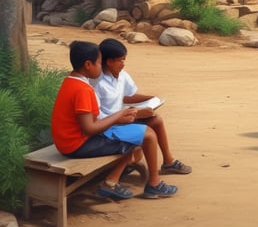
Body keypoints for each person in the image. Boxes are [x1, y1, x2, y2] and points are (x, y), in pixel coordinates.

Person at [51, 41, 178, 200]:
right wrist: (119, 116)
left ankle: (111, 182)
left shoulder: (71, 82)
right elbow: (89, 128)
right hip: (77, 145)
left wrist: (122, 116)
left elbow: (90, 122)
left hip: (69, 142)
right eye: (99, 63)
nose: (100, 66)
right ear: (88, 65)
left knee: (137, 132)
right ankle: (153, 184)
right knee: (147, 135)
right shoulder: (83, 90)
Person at [94, 38, 192, 176]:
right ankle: (154, 181)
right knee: (148, 134)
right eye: (121, 60)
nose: (123, 64)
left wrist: (151, 99)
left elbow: (128, 96)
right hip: (109, 124)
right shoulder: (97, 82)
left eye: (124, 60)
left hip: (122, 118)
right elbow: (97, 117)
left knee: (156, 120)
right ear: (109, 62)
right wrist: (133, 114)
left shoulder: (122, 75)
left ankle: (168, 161)